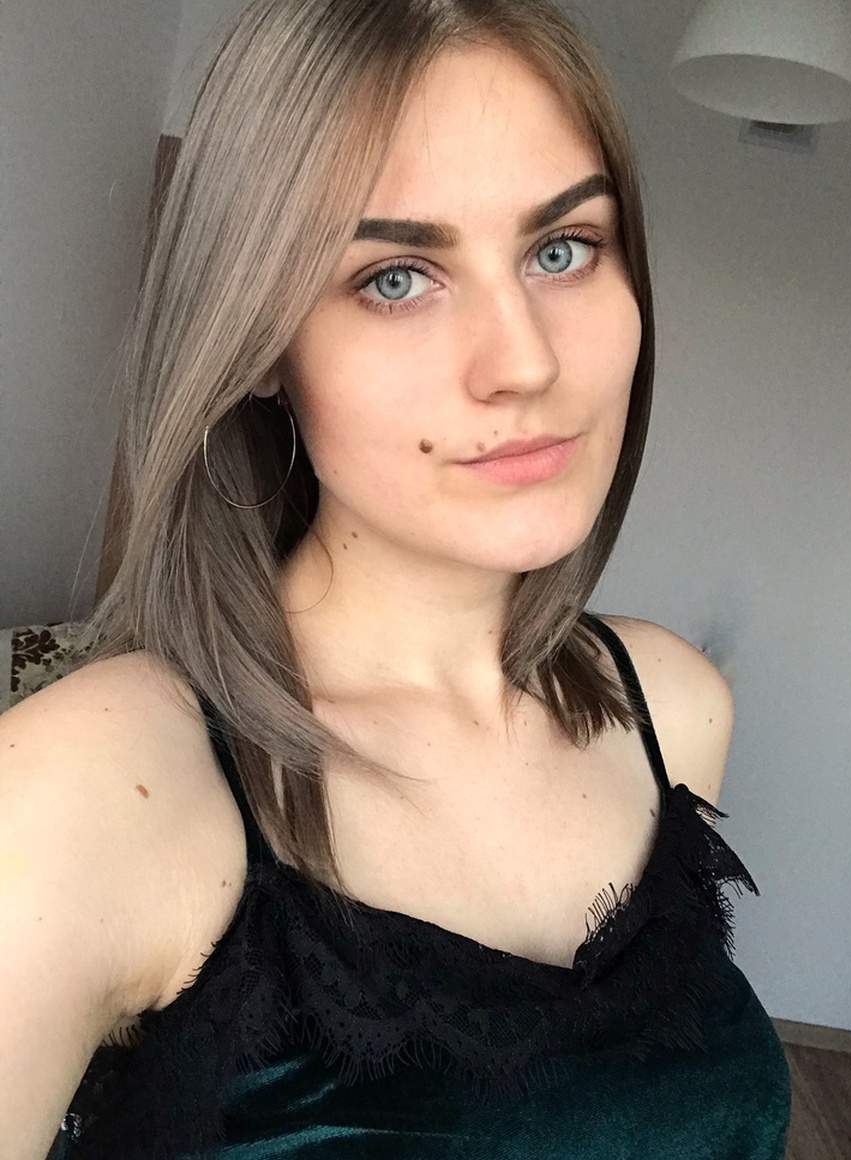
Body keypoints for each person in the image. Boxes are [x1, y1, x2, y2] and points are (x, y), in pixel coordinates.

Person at [1, 0, 792, 1156]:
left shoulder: (673, 707)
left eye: (563, 249)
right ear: (260, 340)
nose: (524, 361)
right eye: (397, 277)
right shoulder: (91, 785)